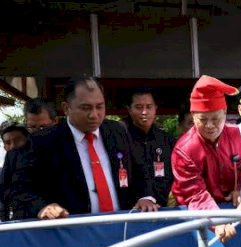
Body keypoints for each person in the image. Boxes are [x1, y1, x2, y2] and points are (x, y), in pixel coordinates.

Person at [10, 76, 158, 220]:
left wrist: (146, 197)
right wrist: (43, 207)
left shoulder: (117, 131)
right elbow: (20, 187)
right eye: (85, 108)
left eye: (100, 106)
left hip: (121, 227)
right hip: (71, 231)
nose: (94, 115)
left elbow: (140, 169)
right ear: (66, 108)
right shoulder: (44, 141)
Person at [171, 75, 241, 242]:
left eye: (216, 119)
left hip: (232, 209)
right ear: (193, 116)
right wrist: (217, 221)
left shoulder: (236, 135)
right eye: (202, 120)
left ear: (225, 113)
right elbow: (194, 194)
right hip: (196, 216)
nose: (210, 126)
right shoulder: (184, 149)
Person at [122, 87, 176, 207]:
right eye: (139, 107)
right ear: (129, 109)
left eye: (149, 107)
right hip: (131, 210)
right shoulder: (120, 137)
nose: (144, 112)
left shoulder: (166, 139)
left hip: (164, 208)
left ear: (155, 108)